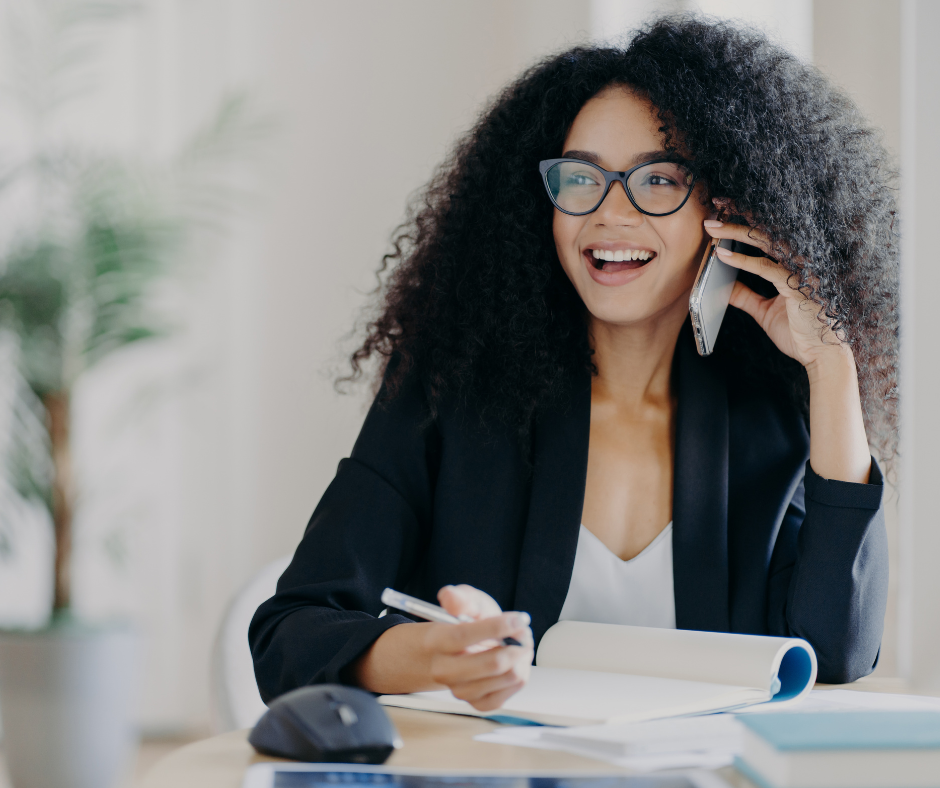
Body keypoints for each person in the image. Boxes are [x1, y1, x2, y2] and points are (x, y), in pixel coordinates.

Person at [250, 16, 897, 711]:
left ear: (728, 210)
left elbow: (837, 650)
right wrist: (427, 657)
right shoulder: (448, 396)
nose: (609, 214)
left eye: (657, 181)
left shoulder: (770, 417)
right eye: (579, 178)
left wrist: (832, 364)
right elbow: (289, 635)